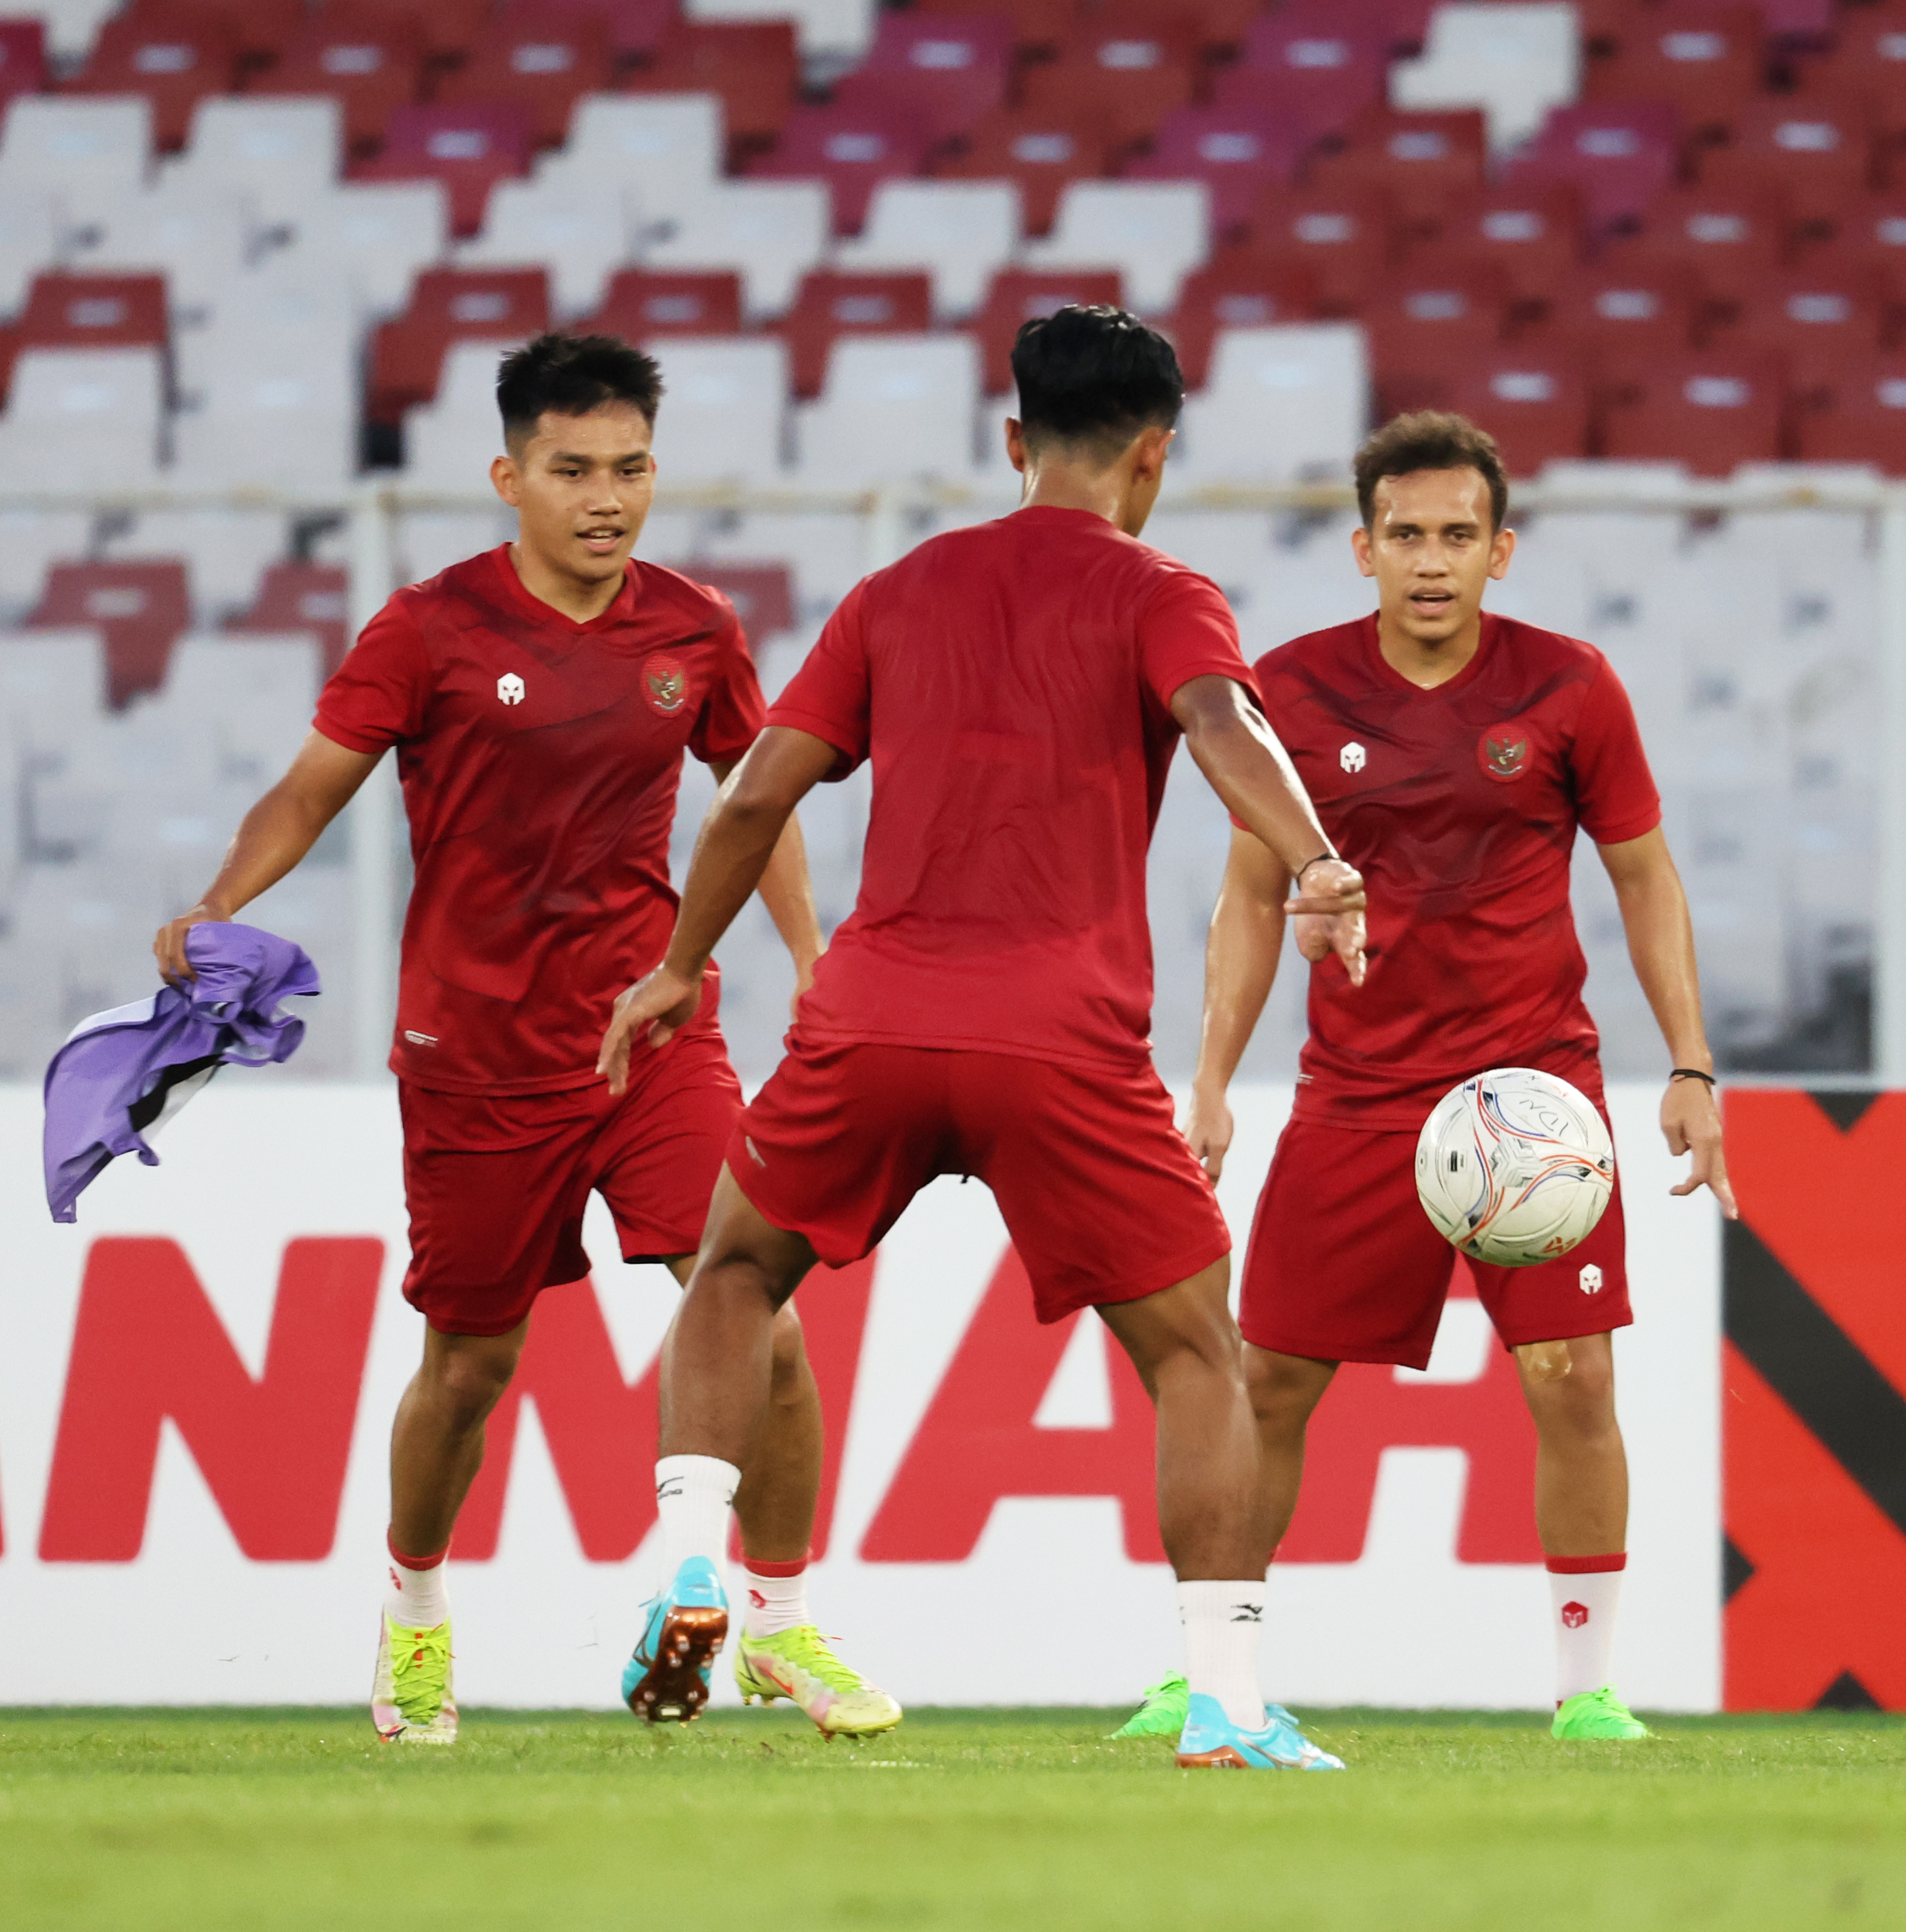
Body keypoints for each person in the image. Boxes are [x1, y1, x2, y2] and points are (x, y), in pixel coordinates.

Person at [599, 305, 1369, 1771]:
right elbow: (1220, 724)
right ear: (1152, 458)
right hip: (1057, 1039)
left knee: (737, 1272)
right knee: (1198, 1357)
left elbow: (755, 795)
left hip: (874, 1014)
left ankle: (697, 1552)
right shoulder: (1162, 591)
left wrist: (676, 966)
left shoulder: (895, 591)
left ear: (1014, 445)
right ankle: (1224, 1699)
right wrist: (1316, 855)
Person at [150, 333, 888, 1746]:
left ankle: (780, 1621)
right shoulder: (427, 630)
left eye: (630, 469)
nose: (606, 498)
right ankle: (415, 1613)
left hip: (649, 1030)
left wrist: (802, 958)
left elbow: (750, 805)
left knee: (759, 1311)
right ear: (509, 477)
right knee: (470, 1367)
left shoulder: (693, 629)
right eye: (572, 471)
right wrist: (219, 900)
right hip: (476, 1057)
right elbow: (312, 790)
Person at [1108, 414, 1737, 1748]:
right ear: (1363, 549)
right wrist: (1211, 1081)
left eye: (1458, 535)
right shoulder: (1287, 688)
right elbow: (1247, 895)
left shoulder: (1569, 687)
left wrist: (1688, 1062)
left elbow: (1643, 879)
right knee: (1263, 1384)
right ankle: (1208, 1667)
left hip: (1534, 1101)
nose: (1431, 560)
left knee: (1571, 1379)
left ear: (1499, 551)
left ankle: (1586, 1695)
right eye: (1406, 536)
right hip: (1357, 1099)